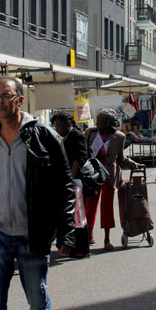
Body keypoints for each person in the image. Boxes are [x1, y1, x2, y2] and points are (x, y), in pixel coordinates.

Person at [0, 77, 75, 310]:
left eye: (6, 96)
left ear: (20, 100)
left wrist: (66, 232)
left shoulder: (44, 137)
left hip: (33, 236)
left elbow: (65, 186)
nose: (0, 102)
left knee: (38, 304)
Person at [84, 108, 140, 250]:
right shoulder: (90, 133)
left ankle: (107, 239)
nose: (97, 123)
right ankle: (88, 233)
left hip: (109, 175)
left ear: (108, 123)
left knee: (107, 207)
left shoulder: (119, 137)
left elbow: (120, 158)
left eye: (100, 121)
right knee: (90, 205)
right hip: (92, 175)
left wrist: (131, 163)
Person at [51, 110, 90, 258]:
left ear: (68, 123)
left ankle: (82, 248)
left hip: (76, 181)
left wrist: (71, 178)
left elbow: (78, 159)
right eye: (55, 126)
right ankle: (71, 246)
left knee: (79, 215)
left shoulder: (76, 135)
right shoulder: (65, 137)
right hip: (68, 180)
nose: (57, 129)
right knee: (71, 216)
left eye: (59, 125)